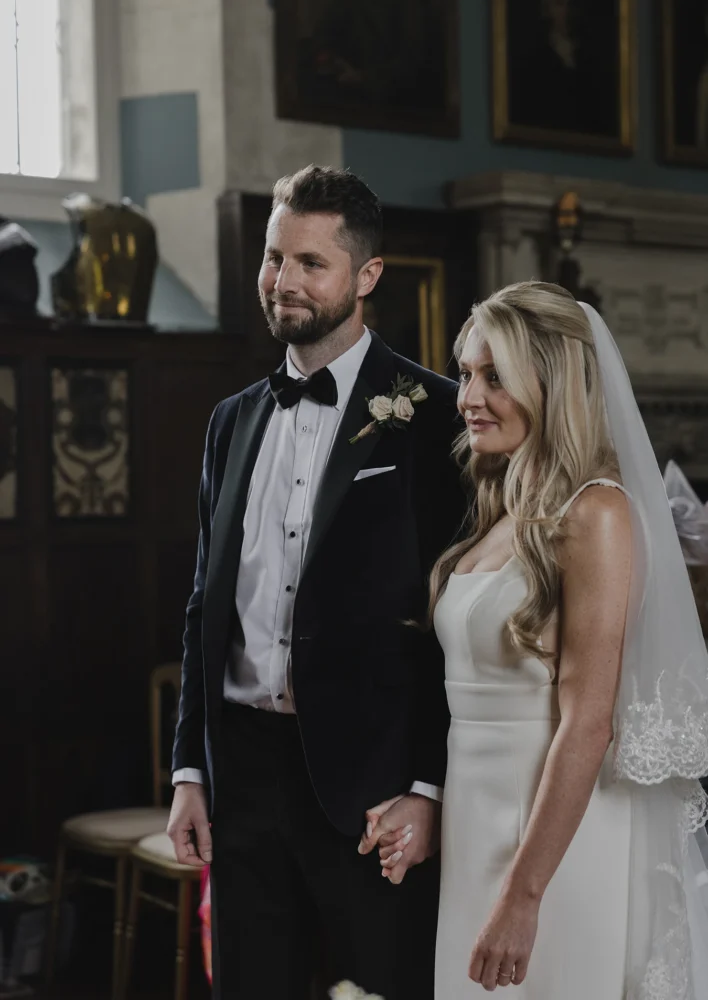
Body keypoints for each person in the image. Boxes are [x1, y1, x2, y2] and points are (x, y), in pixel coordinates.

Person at [166, 164, 465, 999]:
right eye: (274, 258)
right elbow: (203, 607)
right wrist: (190, 770)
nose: (283, 282)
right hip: (244, 778)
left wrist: (430, 788)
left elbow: (458, 620)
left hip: (372, 789)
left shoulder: (437, 416)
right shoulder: (232, 421)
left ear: (367, 276)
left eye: (310, 263)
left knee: (390, 985)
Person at [373, 281, 708, 996]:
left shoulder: (598, 514)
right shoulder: (503, 506)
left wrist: (525, 896)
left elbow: (588, 723)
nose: (468, 396)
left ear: (549, 382)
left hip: (554, 835)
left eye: (495, 376)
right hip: (476, 816)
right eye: (466, 372)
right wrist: (428, 800)